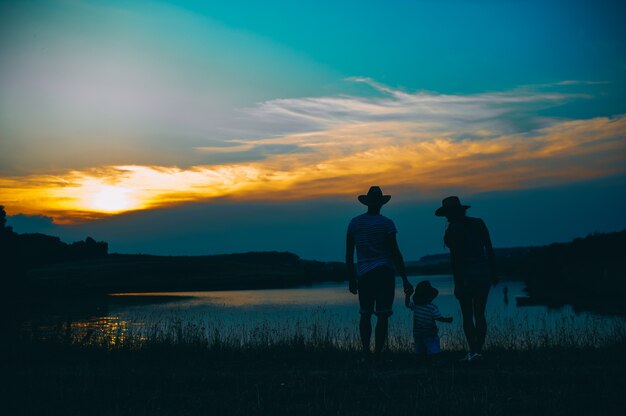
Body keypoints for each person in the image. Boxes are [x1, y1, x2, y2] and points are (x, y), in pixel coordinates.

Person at [346, 186, 413, 362]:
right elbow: (395, 252)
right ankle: (377, 353)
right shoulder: (387, 223)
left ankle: (366, 353)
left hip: (364, 274)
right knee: (382, 315)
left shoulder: (354, 223)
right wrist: (405, 278)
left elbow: (348, 254)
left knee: (365, 313)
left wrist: (352, 279)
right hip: (384, 272)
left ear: (367, 203)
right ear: (381, 203)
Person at [435, 196, 497, 362]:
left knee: (468, 314)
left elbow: (456, 260)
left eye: (447, 213)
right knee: (480, 313)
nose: (446, 217)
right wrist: (493, 272)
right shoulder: (479, 223)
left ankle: (473, 351)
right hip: (483, 273)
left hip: (466, 276)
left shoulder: (453, 230)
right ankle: (478, 351)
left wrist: (458, 283)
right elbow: (489, 249)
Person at [405, 280, 453, 363]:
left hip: (417, 332)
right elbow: (438, 317)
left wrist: (407, 295)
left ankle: (420, 359)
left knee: (419, 348)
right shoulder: (432, 307)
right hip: (430, 332)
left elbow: (407, 304)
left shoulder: (415, 305)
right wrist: (447, 320)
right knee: (433, 348)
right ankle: (434, 360)